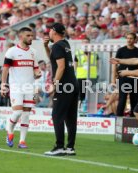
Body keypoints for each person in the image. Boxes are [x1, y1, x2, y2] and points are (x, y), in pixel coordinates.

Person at [1, 27, 41, 149]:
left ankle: (22, 141)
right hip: (16, 87)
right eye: (28, 35)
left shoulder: (33, 52)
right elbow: (5, 69)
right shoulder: (11, 52)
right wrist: (3, 84)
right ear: (21, 36)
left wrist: (37, 76)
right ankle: (10, 132)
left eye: (32, 35)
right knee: (17, 112)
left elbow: (36, 68)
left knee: (26, 115)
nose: (31, 38)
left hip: (29, 87)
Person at [43, 23, 79, 156]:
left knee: (57, 115)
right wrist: (46, 47)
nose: (49, 33)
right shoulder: (65, 44)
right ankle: (70, 147)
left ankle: (59, 147)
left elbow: (61, 66)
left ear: (53, 31)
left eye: (50, 30)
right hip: (73, 84)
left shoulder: (58, 46)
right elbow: (53, 59)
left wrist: (55, 84)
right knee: (70, 117)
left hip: (64, 85)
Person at [112, 33, 138, 117]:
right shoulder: (121, 50)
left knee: (134, 99)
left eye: (131, 38)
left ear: (135, 40)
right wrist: (113, 79)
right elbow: (115, 64)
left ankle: (133, 118)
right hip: (123, 78)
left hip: (134, 78)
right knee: (122, 98)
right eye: (128, 38)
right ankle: (119, 117)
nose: (129, 40)